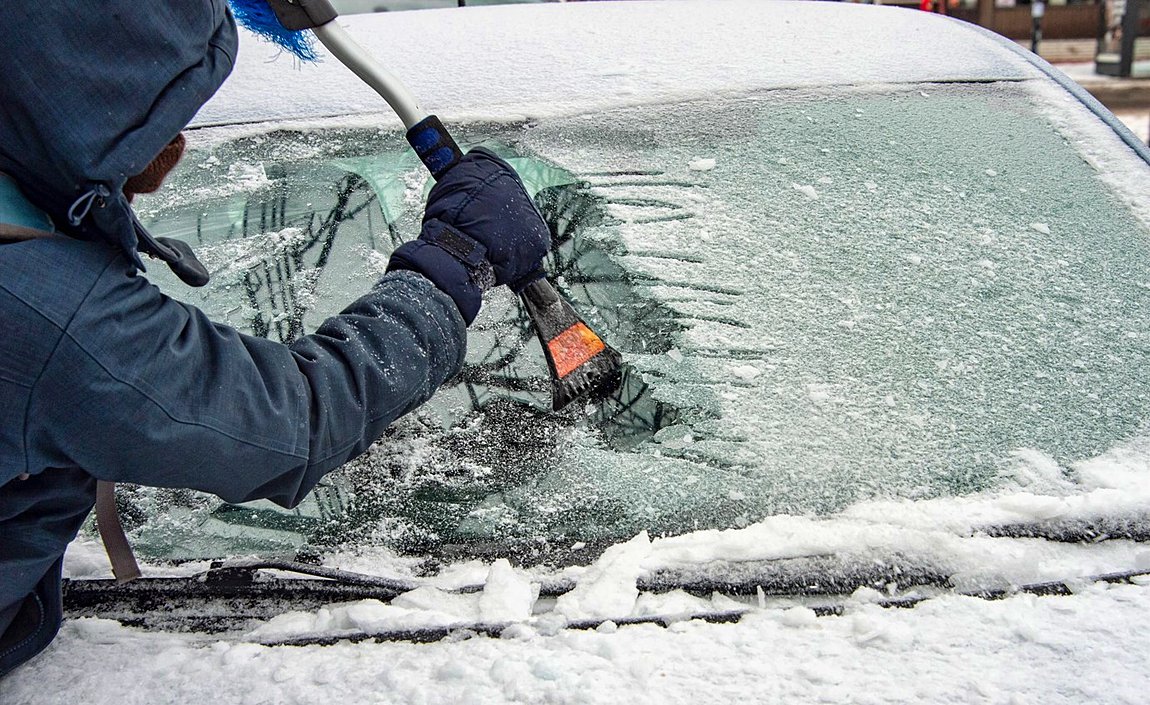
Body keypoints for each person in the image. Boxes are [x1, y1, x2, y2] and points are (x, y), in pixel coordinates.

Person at [0, 1, 550, 678]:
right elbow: (296, 418)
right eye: (166, 115)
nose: (180, 145)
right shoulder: (44, 305)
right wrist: (452, 266)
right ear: (96, 111)